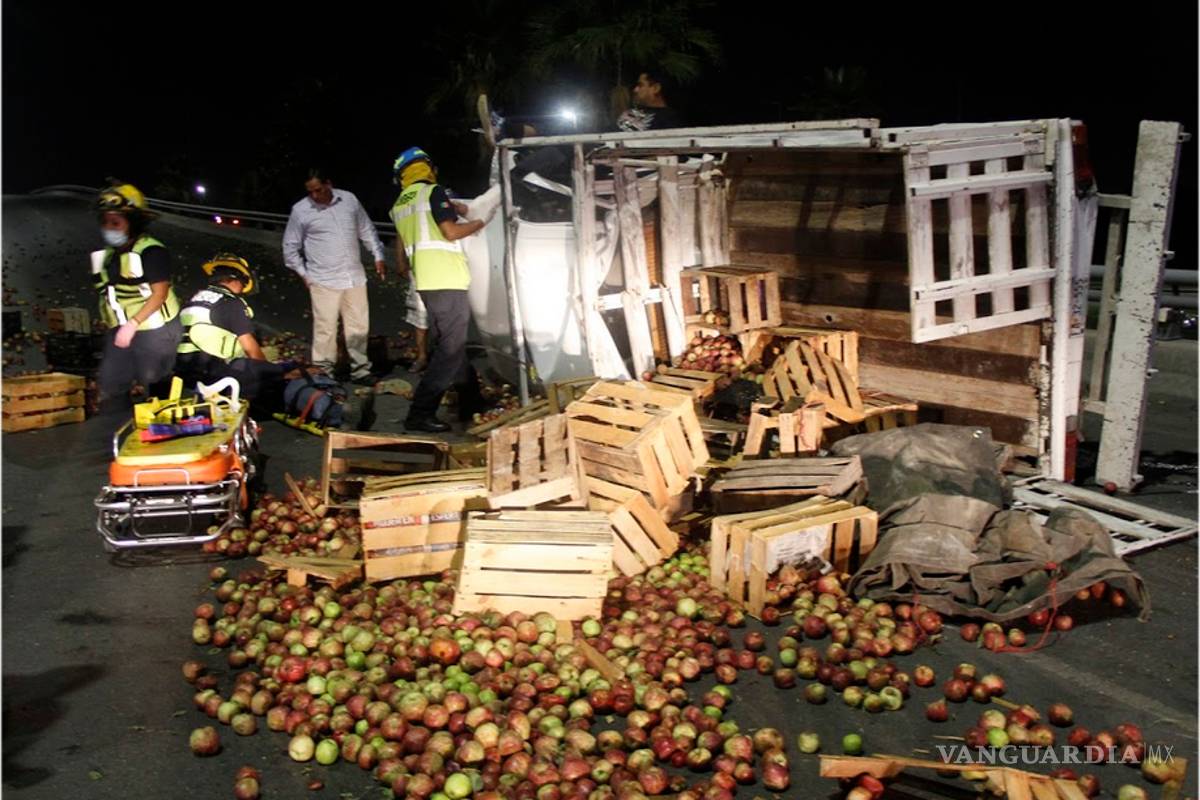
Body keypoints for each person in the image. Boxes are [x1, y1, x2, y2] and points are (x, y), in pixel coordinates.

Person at [389, 147, 490, 433]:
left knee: (449, 343)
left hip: (427, 282)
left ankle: (471, 400)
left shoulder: (400, 203)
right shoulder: (432, 192)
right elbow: (450, 232)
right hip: (447, 280)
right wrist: (482, 221)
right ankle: (420, 413)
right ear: (427, 167)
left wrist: (453, 208)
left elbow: (424, 229)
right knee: (450, 349)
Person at [282, 168, 387, 385]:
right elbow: (290, 248)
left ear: (329, 184)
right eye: (310, 192)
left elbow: (365, 229)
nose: (314, 196)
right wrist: (304, 274)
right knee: (325, 329)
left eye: (318, 190)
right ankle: (324, 372)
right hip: (323, 280)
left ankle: (360, 370)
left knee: (358, 327)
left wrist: (377, 254)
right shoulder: (301, 211)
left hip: (354, 278)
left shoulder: (349, 200)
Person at [91, 182, 183, 413]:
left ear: (133, 223)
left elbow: (159, 293)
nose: (109, 228)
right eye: (106, 222)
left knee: (155, 385)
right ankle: (118, 433)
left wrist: (133, 324)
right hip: (121, 332)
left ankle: (165, 430)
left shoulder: (151, 251)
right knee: (112, 385)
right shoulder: (108, 256)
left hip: (156, 331)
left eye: (116, 222)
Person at [175, 253, 286, 412]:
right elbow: (250, 348)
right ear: (235, 279)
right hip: (211, 373)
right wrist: (269, 371)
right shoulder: (232, 303)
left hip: (183, 371)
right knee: (275, 378)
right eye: (244, 282)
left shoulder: (194, 299)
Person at [616, 69, 683, 132]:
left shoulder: (670, 119)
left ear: (656, 88)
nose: (635, 90)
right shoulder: (631, 112)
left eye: (640, 85)